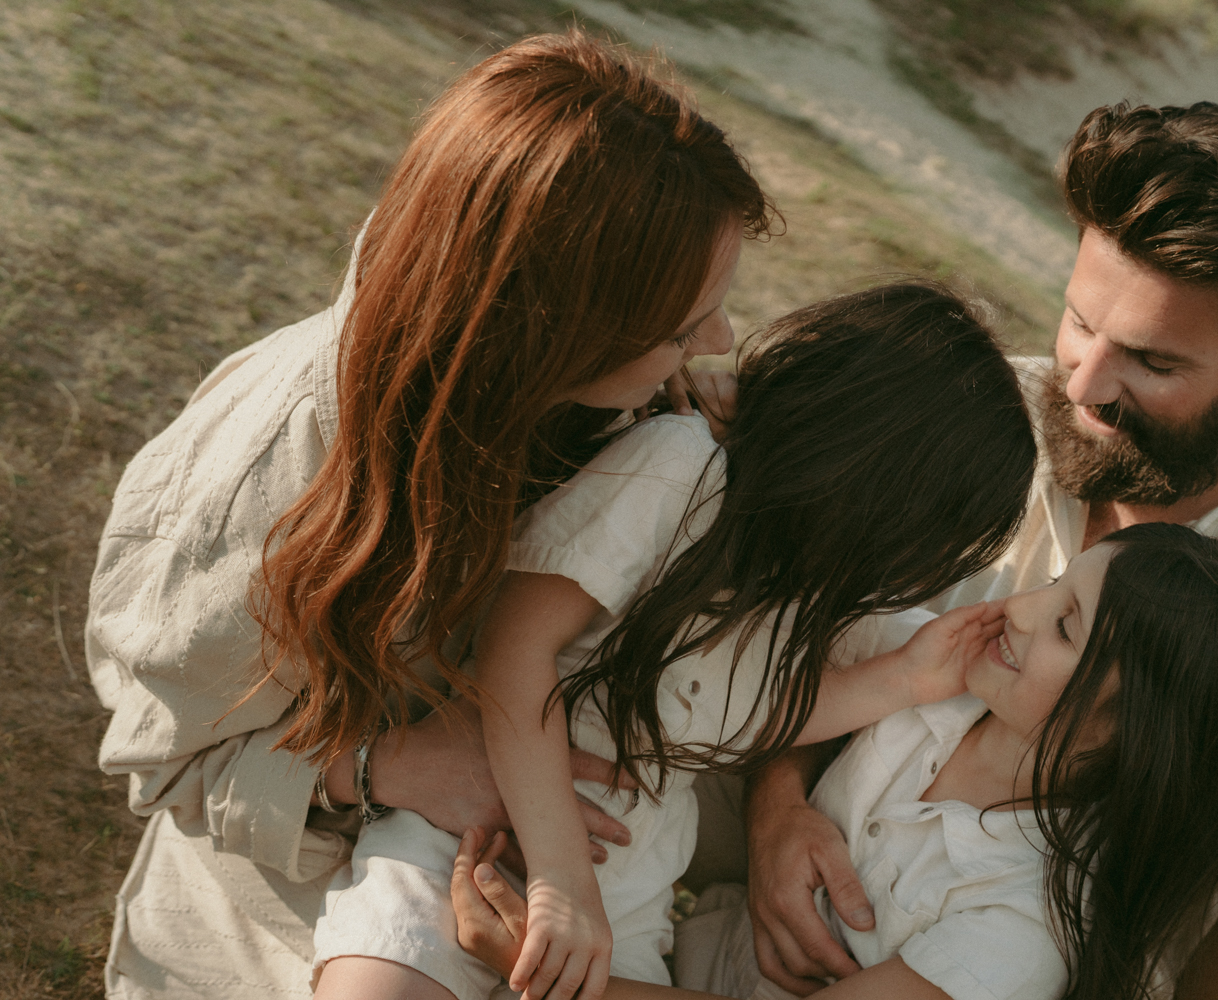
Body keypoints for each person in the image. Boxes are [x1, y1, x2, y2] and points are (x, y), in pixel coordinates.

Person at [83, 31, 776, 1000]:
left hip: (523, 842)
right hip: (314, 909)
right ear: (550, 326)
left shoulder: (587, 397)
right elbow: (166, 762)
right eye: (681, 323)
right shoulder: (269, 471)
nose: (716, 340)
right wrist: (388, 764)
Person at [739, 101, 1218, 1000]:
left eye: (1152, 361)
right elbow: (802, 618)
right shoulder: (987, 414)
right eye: (1078, 322)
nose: (1083, 386)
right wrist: (774, 813)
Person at [311, 283, 1039, 1000]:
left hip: (627, 879)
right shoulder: (676, 468)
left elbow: (749, 711)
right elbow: (514, 649)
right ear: (868, 490)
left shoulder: (815, 590)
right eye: (918, 548)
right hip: (478, 826)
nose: (907, 576)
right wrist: (560, 882)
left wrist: (906, 678)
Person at [452, 523, 1218, 1000]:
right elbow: (788, 679)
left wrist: (559, 974)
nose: (1017, 610)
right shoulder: (955, 680)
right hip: (682, 950)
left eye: (1064, 625)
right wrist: (782, 804)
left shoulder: (1022, 930)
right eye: (1054, 586)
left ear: (1127, 741)